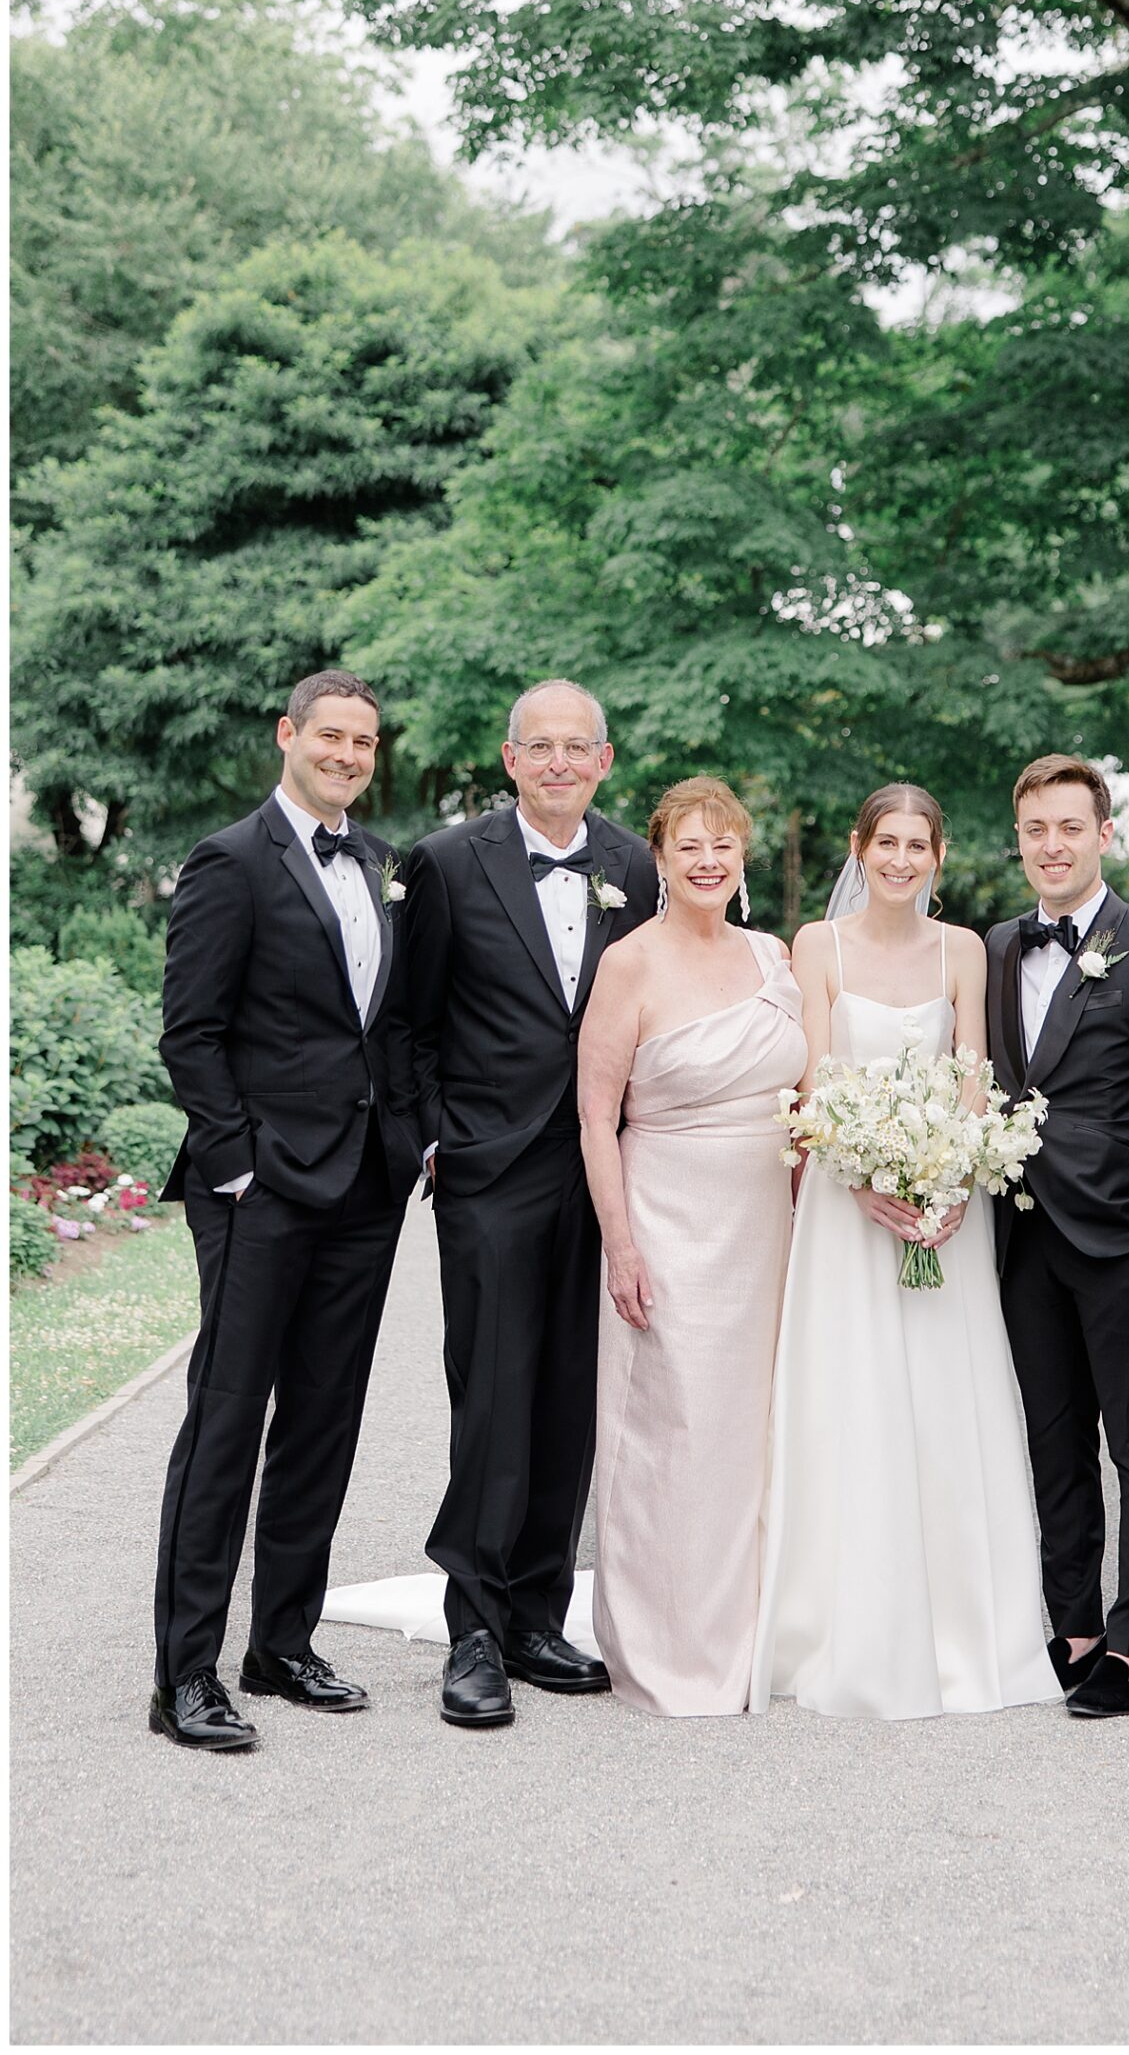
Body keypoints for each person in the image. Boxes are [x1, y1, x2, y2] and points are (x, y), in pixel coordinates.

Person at [150, 671, 421, 1751]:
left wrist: (406, 1142)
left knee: (323, 1420)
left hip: (362, 1185)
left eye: (363, 741)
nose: (349, 754)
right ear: (289, 736)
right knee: (226, 1420)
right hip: (259, 1190)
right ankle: (184, 1676)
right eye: (331, 736)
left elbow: (385, 1025)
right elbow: (190, 1033)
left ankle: (282, 1642)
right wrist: (238, 1167)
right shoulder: (229, 860)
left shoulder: (381, 863)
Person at [751, 786, 1060, 1719]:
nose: (898, 859)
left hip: (941, 1211)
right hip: (847, 1212)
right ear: (859, 847)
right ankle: (832, 1622)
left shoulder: (962, 949)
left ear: (938, 855)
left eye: (915, 845)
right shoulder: (817, 945)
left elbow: (973, 1074)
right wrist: (859, 1171)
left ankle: (968, 1632)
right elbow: (808, 1079)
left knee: (941, 1396)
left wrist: (948, 1176)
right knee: (850, 1394)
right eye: (883, 842)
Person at [402, 680, 655, 1729]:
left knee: (570, 1397)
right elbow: (408, 1021)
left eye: (576, 747)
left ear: (604, 761)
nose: (557, 762)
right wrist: (437, 1141)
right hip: (490, 1171)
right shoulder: (448, 862)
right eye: (537, 746)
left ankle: (538, 1614)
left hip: (605, 1170)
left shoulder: (635, 865)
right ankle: (472, 1624)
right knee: (494, 1393)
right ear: (509, 760)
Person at [988, 754, 1129, 1718]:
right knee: (1051, 1445)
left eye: (1069, 829)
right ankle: (1073, 1625)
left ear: (1102, 836)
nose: (1052, 846)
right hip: (1021, 1233)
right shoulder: (996, 945)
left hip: (1126, 1236)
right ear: (1020, 839)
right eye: (1035, 830)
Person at [577, 778, 807, 1714]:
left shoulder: (775, 957)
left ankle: (756, 1632)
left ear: (740, 858)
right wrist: (621, 1246)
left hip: (768, 1224)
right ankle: (662, 1643)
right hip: (665, 1215)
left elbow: (806, 1103)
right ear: (660, 862)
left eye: (724, 845)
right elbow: (596, 1116)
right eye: (689, 847)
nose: (709, 861)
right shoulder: (630, 963)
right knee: (672, 1432)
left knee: (754, 1431)